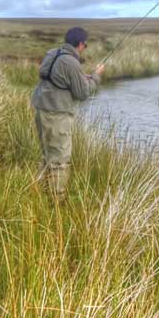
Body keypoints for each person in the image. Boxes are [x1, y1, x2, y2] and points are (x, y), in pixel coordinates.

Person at [31, 26, 105, 198]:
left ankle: (39, 193)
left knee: (47, 155)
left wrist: (79, 77)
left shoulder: (52, 53)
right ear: (80, 44)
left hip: (42, 109)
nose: (84, 48)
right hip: (57, 114)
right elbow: (83, 94)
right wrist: (96, 76)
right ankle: (56, 203)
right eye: (85, 45)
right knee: (60, 160)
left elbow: (54, 75)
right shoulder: (72, 62)